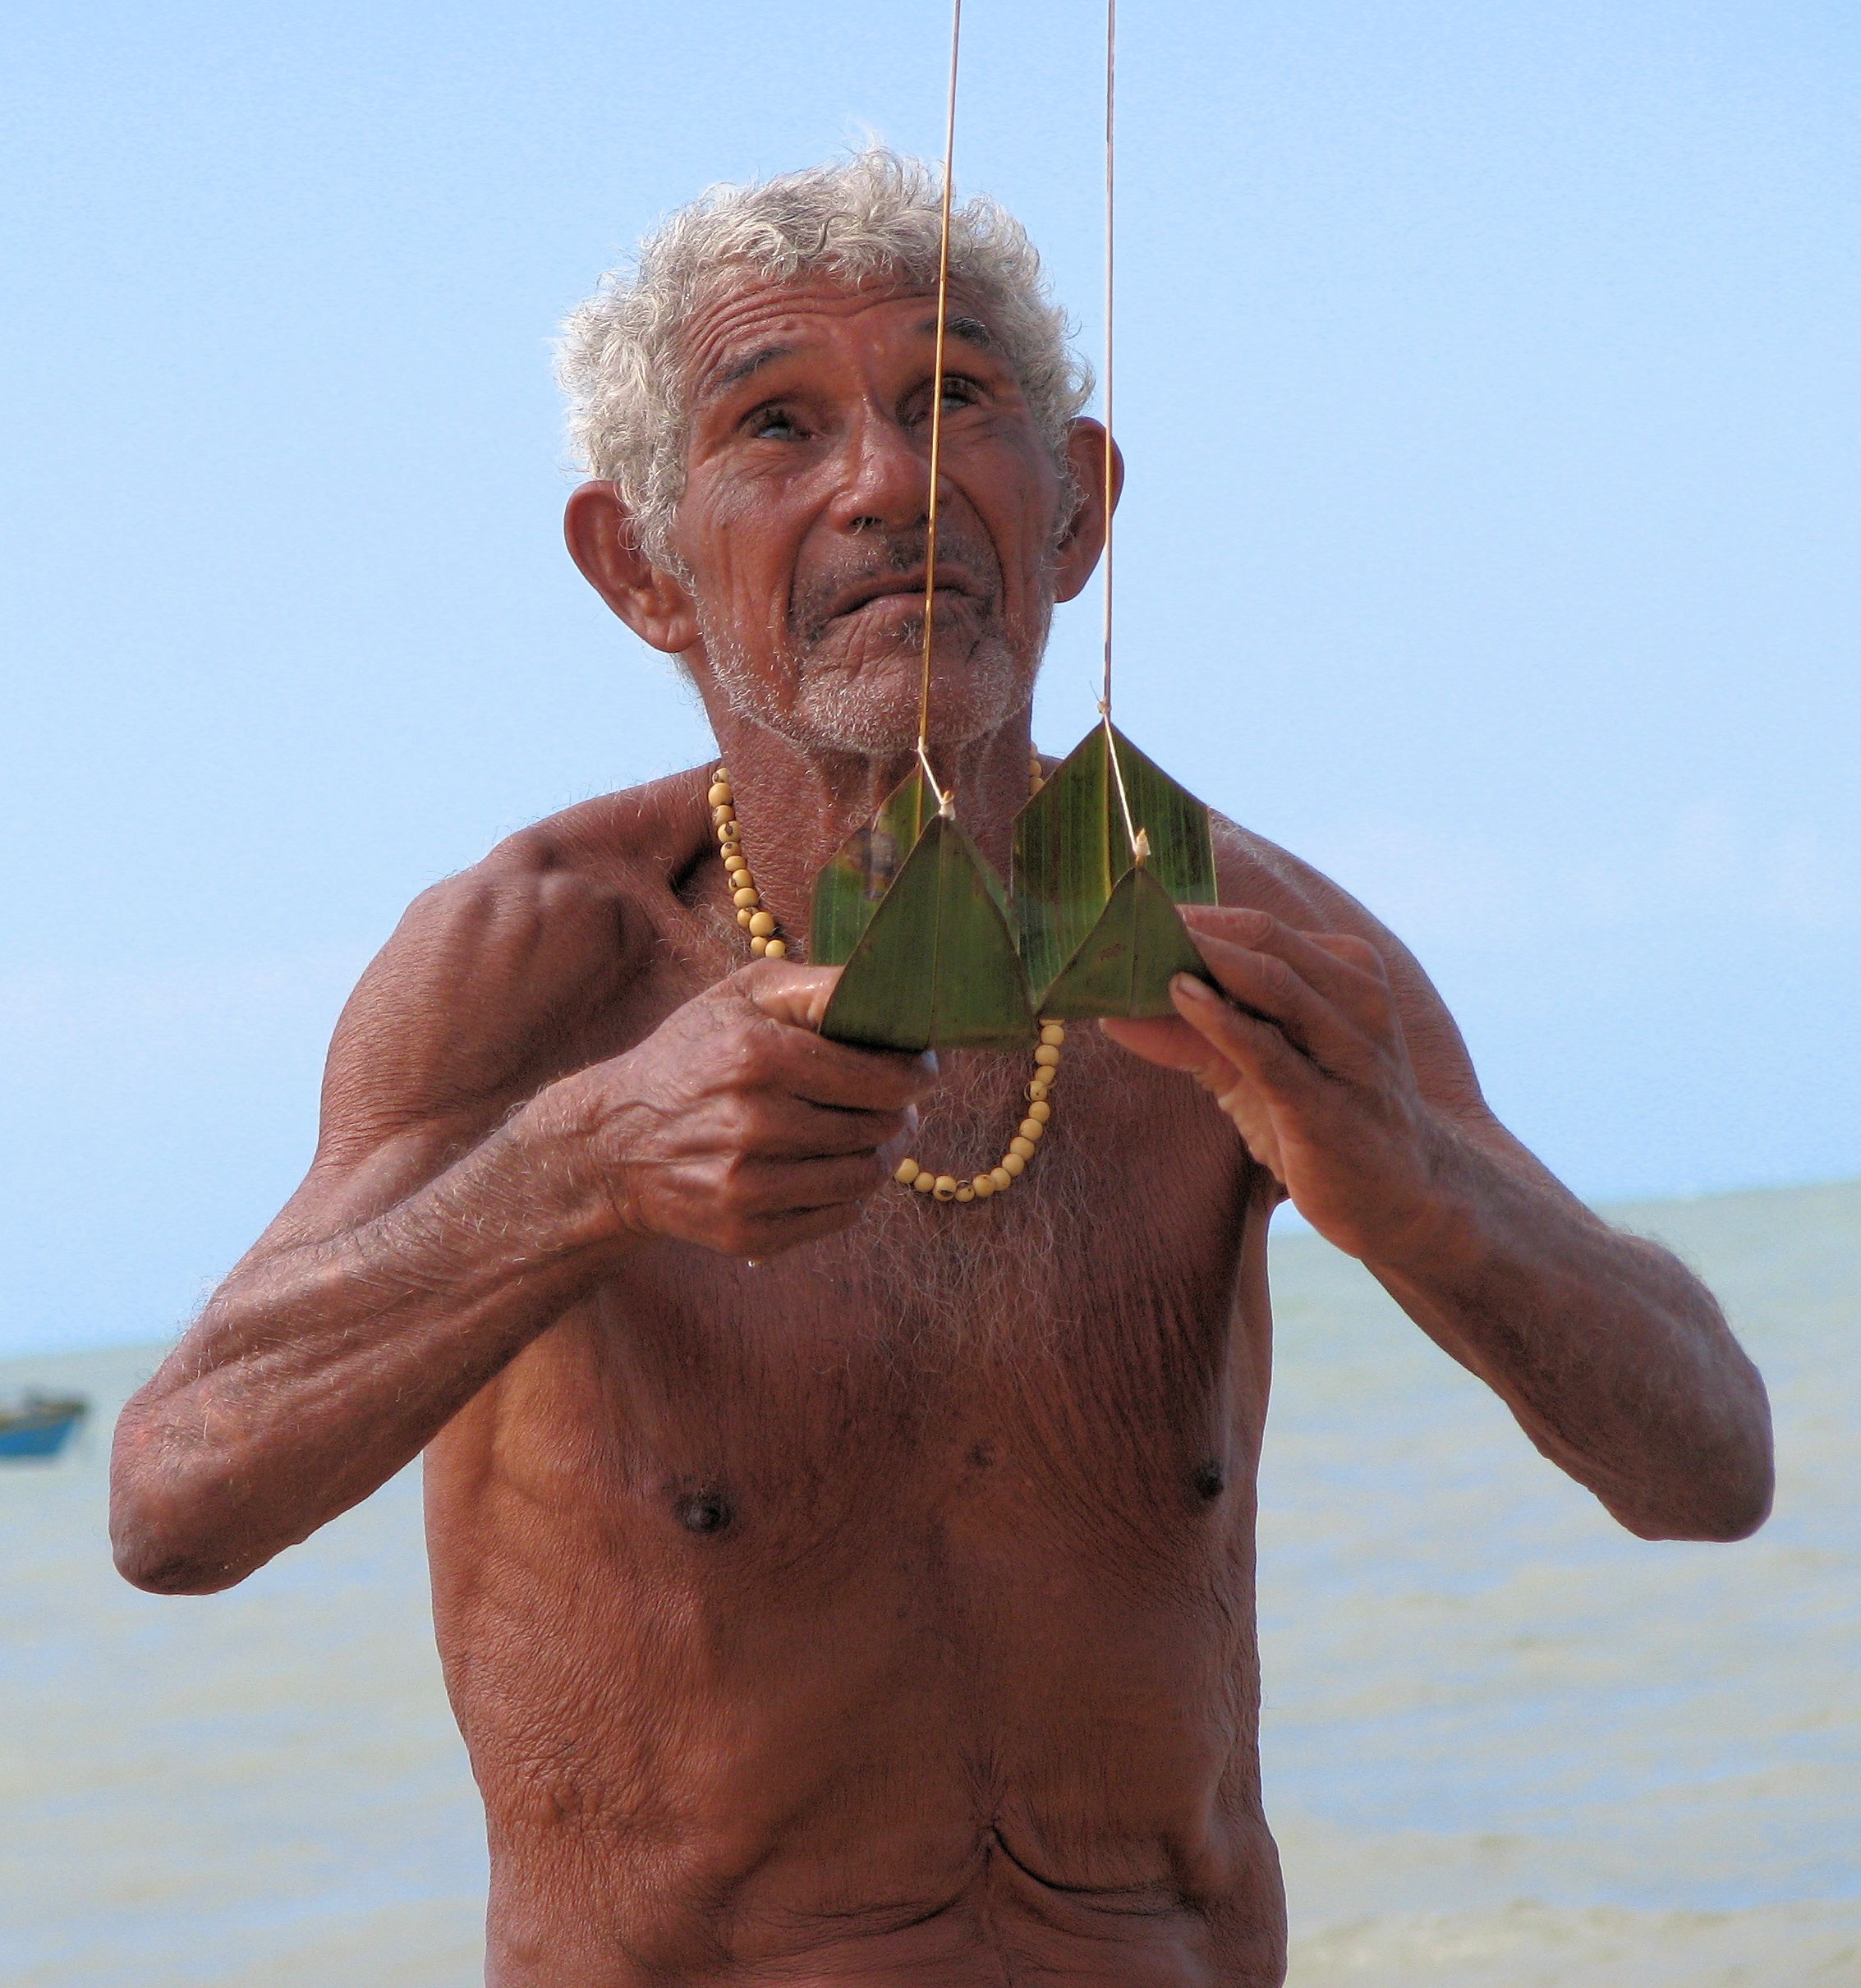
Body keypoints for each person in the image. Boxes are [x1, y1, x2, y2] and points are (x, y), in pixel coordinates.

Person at [110, 149, 1773, 1987]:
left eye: (954, 402)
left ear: (1072, 513)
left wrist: (1415, 1188)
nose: (888, 485)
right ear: (641, 569)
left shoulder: (1241, 931)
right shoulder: (539, 962)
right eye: (774, 423)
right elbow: (174, 1498)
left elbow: (1706, 1465)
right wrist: (578, 1166)